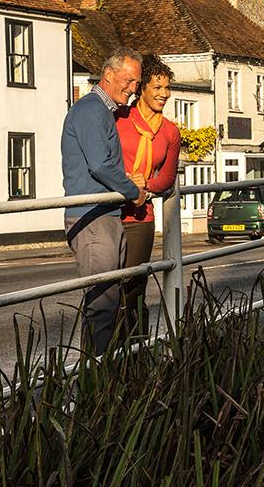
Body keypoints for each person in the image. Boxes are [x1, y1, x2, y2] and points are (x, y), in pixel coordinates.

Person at [62, 47, 145, 357]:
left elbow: (100, 163)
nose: (134, 89)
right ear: (109, 74)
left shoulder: (99, 111)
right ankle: (96, 384)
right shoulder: (91, 110)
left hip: (102, 214)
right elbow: (99, 165)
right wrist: (133, 190)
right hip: (93, 218)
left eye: (137, 83)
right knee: (102, 303)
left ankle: (99, 378)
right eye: (130, 80)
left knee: (107, 300)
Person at [115, 54, 182, 340]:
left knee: (133, 287)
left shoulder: (169, 132)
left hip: (140, 217)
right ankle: (102, 359)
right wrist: (125, 181)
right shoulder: (118, 119)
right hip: (108, 211)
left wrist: (146, 185)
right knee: (106, 289)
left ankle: (136, 352)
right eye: (157, 87)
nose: (164, 94)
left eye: (167, 88)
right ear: (141, 87)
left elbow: (167, 178)